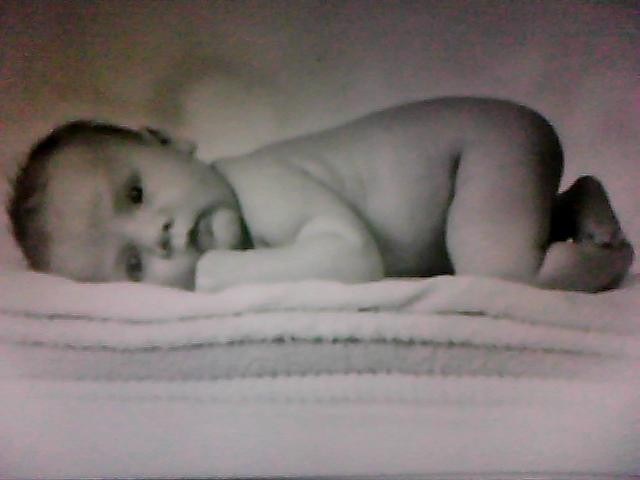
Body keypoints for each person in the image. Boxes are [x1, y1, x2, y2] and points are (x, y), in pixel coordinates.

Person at [7, 97, 634, 292]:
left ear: (171, 142)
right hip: (469, 186)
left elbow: (352, 259)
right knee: (480, 237)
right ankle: (566, 209)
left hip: (480, 150)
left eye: (137, 193)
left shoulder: (256, 184)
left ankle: (601, 260)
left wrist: (224, 273)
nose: (158, 234)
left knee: (497, 274)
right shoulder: (244, 215)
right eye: (134, 264)